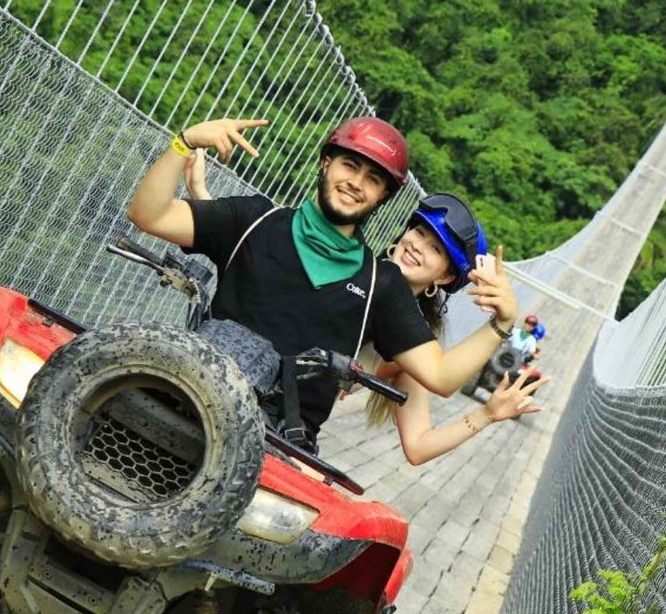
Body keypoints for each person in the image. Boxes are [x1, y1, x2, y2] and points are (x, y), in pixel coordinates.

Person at [126, 116, 520, 453]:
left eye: (373, 179)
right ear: (325, 162)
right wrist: (185, 142)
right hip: (184, 395)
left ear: (383, 197)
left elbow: (440, 375)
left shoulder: (381, 286)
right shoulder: (253, 219)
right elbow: (149, 214)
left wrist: (503, 322)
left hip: (272, 446)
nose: (356, 183)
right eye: (349, 165)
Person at [363, 194, 550, 465]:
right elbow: (441, 377)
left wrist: (486, 413)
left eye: (436, 249)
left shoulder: (416, 354)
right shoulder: (358, 267)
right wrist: (503, 323)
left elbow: (418, 447)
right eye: (418, 231)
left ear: (445, 277)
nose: (418, 246)